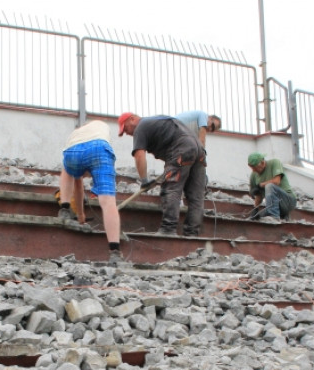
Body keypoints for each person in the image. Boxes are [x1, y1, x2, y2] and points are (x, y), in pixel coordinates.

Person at [118, 112, 207, 237]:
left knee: (171, 189)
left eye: (125, 128)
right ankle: (192, 234)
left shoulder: (141, 127)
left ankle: (168, 230)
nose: (127, 133)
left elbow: (139, 155)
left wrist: (144, 180)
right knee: (196, 197)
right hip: (199, 151)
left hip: (182, 148)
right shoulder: (158, 120)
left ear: (132, 119)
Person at [58, 119, 126, 264]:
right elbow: (80, 185)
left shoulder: (76, 134)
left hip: (72, 150)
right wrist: (81, 214)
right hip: (99, 147)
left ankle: (64, 208)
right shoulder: (100, 126)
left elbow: (78, 185)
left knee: (67, 170)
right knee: (108, 201)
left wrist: (80, 215)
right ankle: (114, 251)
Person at [247, 152, 297, 221]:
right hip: (274, 205)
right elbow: (259, 196)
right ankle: (282, 216)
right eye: (252, 168)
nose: (253, 170)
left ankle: (274, 217)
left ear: (262, 163)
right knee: (258, 217)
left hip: (288, 201)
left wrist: (260, 185)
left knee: (270, 186)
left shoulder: (274, 163)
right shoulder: (254, 175)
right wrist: (255, 208)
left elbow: (276, 181)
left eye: (255, 168)